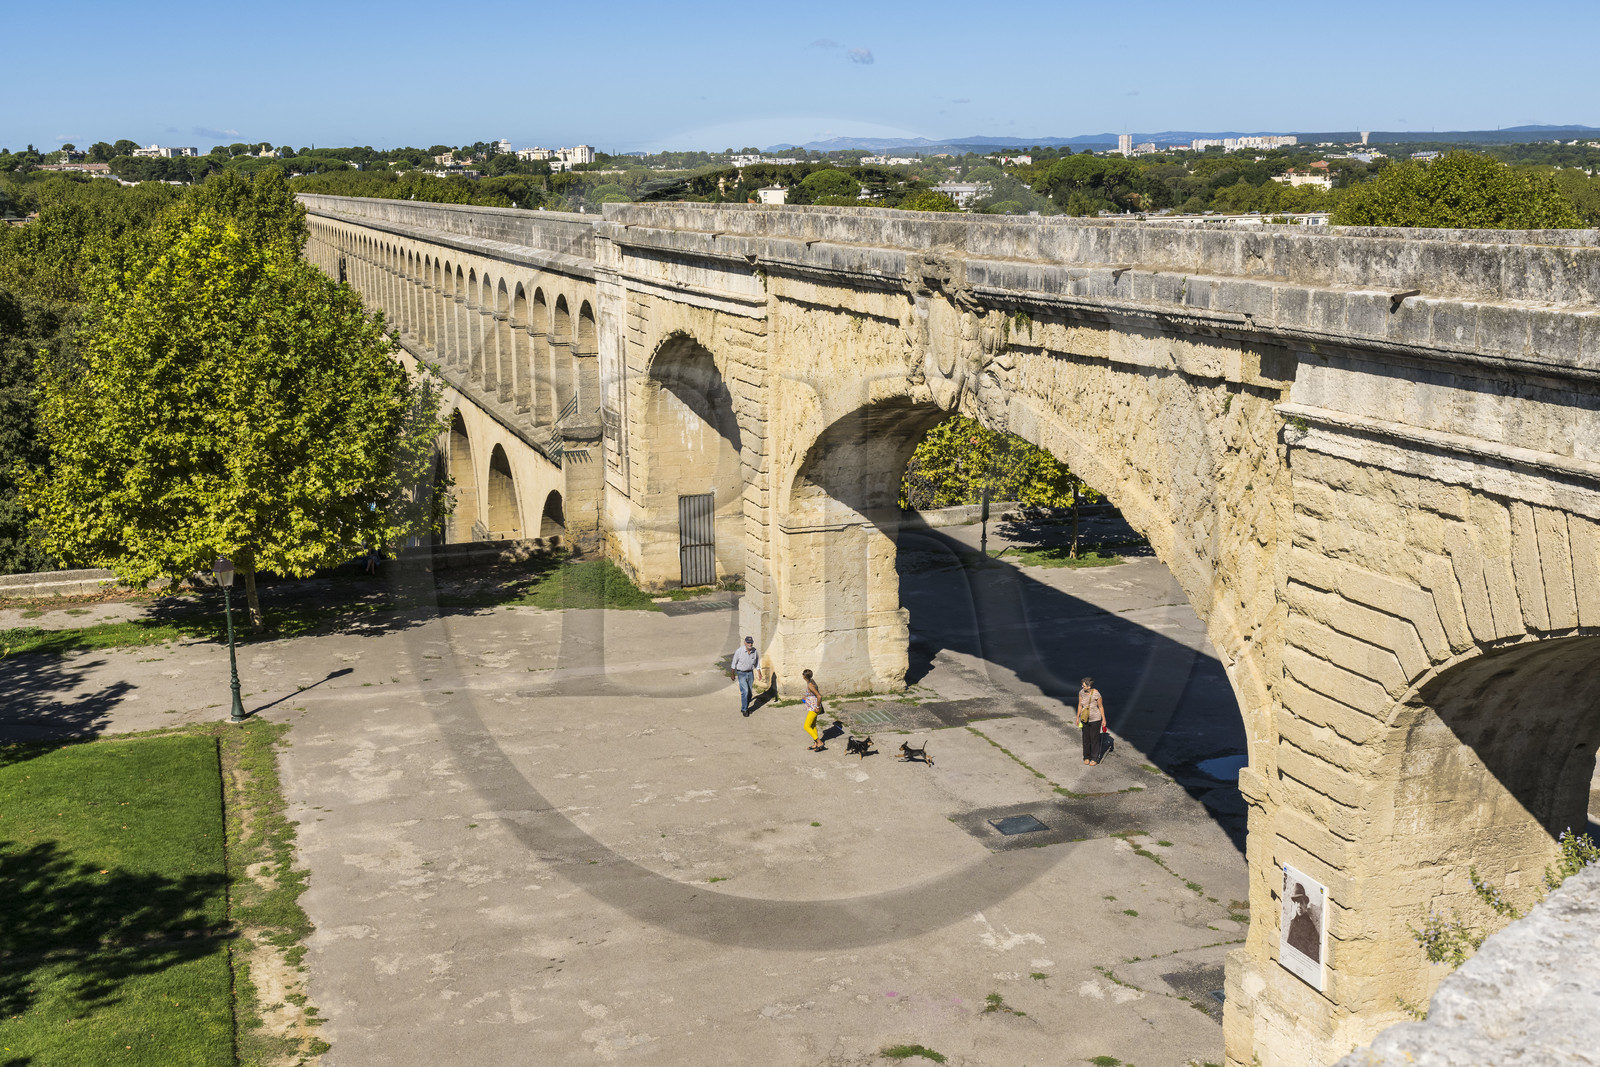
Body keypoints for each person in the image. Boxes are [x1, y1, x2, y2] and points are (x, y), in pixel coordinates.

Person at [1077, 676, 1107, 765]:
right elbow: (1079, 705)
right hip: (1085, 718)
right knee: (1085, 739)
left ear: (1089, 686)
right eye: (1082, 685)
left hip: (1095, 719)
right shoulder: (1081, 693)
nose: (1082, 687)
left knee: (1094, 739)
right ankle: (1086, 757)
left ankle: (1094, 758)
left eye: (1084, 686)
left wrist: (1103, 719)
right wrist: (1077, 717)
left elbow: (1101, 707)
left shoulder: (1096, 694)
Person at [731, 636, 760, 716]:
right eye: (748, 642)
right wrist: (732, 674)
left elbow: (757, 662)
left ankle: (745, 707)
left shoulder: (754, 651)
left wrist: (759, 672)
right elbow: (734, 663)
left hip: (750, 673)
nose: (750, 644)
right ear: (745, 643)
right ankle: (744, 709)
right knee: (745, 691)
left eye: (751, 643)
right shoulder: (739, 651)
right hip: (741, 673)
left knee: (750, 693)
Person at [802, 668, 825, 751]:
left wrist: (817, 707)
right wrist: (806, 697)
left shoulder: (810, 685)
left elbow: (819, 696)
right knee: (812, 725)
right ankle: (816, 743)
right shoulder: (811, 681)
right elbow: (813, 694)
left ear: (804, 676)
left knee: (806, 726)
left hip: (814, 708)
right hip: (812, 707)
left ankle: (819, 742)